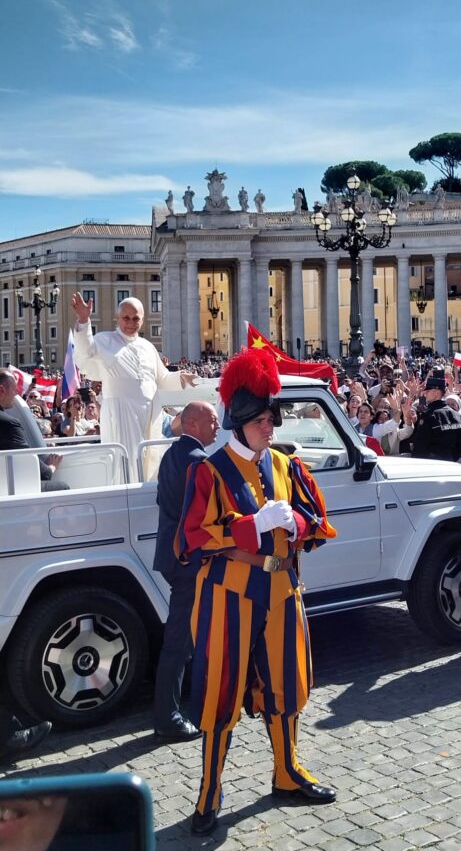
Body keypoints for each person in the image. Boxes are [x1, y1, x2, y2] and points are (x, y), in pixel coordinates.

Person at [175, 348, 337, 836]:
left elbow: (320, 523)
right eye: (263, 419)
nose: (271, 426)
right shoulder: (208, 470)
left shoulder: (287, 466)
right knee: (220, 693)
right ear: (240, 419)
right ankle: (209, 791)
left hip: (284, 589)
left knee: (287, 685)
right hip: (230, 594)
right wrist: (251, 525)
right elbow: (190, 539)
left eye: (273, 417)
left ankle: (286, 773)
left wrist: (300, 520)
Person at [71, 294, 197, 478]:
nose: (131, 322)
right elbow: (86, 352)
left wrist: (180, 377)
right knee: (126, 464)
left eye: (136, 318)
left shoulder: (147, 346)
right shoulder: (105, 340)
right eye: (126, 318)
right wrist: (83, 321)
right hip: (122, 414)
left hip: (150, 413)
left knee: (151, 460)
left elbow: (162, 378)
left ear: (142, 319)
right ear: (118, 318)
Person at [152, 401, 220, 741]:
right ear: (192, 424)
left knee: (188, 636)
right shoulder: (200, 462)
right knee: (179, 640)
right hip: (188, 560)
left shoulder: (171, 455)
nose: (217, 426)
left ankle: (190, 705)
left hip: (171, 555)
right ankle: (168, 718)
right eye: (212, 420)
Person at [0, 370, 69, 492]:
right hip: (9, 488)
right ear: (1, 391)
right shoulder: (9, 424)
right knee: (62, 486)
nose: (17, 393)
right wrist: (51, 468)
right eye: (14, 389)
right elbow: (30, 462)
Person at [412, 373, 461, 461]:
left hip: (432, 467)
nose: (425, 393)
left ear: (436, 393)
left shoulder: (428, 415)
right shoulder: (457, 415)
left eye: (427, 391)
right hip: (452, 465)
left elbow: (420, 447)